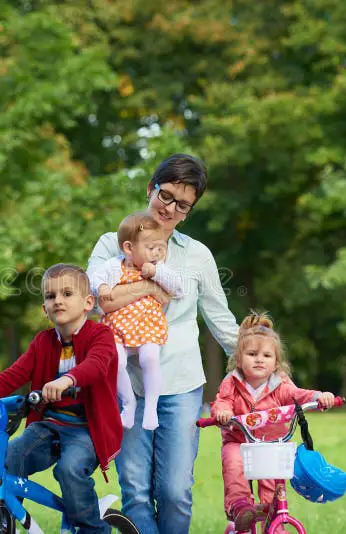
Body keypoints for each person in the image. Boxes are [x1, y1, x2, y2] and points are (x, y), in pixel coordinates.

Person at [87, 154, 240, 534]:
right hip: (125, 386)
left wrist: (263, 369)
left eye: (182, 204)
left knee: (174, 491)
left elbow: (220, 320)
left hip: (182, 384)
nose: (169, 208)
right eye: (166, 195)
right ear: (150, 189)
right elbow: (97, 301)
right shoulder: (112, 243)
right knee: (136, 491)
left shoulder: (197, 255)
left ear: (189, 212)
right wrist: (153, 286)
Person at [0, 263, 122, 534]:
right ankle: (4, 522)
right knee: (11, 455)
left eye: (67, 294)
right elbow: (12, 375)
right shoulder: (43, 342)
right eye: (50, 296)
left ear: (88, 303)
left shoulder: (100, 335)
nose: (58, 300)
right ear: (44, 309)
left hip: (87, 429)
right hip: (48, 425)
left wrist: (66, 380)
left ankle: (94, 529)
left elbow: (96, 365)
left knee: (69, 469)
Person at [211, 311, 337, 532]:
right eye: (252, 354)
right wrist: (223, 413)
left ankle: (275, 520)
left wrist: (319, 397)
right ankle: (240, 509)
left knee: (272, 484)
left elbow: (300, 395)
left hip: (270, 444)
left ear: (276, 362)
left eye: (266, 356)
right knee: (233, 460)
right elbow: (223, 401)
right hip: (238, 440)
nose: (259, 359)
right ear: (239, 359)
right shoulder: (232, 382)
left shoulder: (281, 385)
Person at [89, 211, 184, 430]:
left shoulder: (160, 268)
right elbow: (95, 279)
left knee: (150, 358)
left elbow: (178, 289)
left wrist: (156, 273)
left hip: (146, 326)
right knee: (117, 362)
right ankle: (128, 403)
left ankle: (151, 406)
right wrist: (102, 287)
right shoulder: (114, 265)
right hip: (116, 328)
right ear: (129, 248)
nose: (157, 253)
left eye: (161, 247)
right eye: (151, 248)